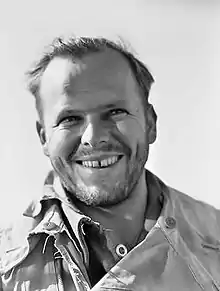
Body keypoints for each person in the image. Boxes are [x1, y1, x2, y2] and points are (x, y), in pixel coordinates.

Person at [0, 36, 219, 291]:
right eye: (70, 118)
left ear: (150, 123)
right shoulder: (6, 267)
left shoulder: (213, 243)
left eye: (115, 112)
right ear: (44, 137)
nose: (93, 138)